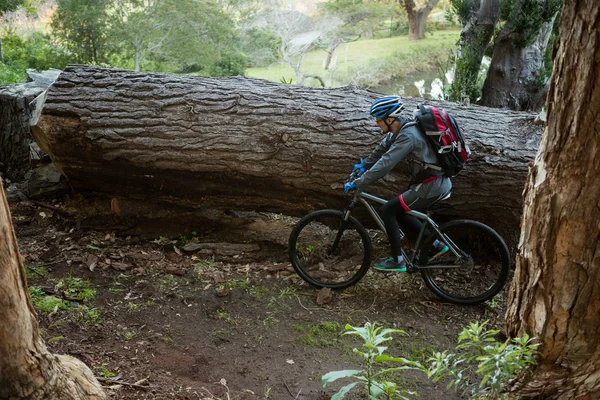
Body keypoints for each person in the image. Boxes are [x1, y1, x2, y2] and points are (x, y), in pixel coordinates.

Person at [344, 95, 450, 272]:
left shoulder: (408, 136)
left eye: (379, 121)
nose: (377, 125)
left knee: (388, 210)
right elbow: (382, 149)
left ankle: (397, 260)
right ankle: (437, 245)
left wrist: (359, 183)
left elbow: (386, 164)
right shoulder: (403, 128)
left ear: (390, 119)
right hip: (432, 183)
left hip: (431, 187)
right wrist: (364, 165)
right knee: (399, 211)